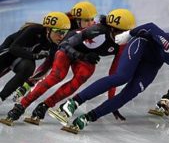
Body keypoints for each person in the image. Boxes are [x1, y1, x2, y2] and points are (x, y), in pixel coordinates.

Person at [52, 23, 169, 132]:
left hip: (153, 62)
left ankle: (88, 117)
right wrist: (129, 34)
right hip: (141, 45)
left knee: (130, 93)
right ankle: (73, 103)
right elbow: (151, 27)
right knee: (122, 77)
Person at [1, 8, 135, 125]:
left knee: (80, 79)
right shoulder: (96, 31)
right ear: (111, 28)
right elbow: (64, 45)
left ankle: (44, 106)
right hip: (68, 51)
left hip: (85, 58)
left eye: (127, 32)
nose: (125, 36)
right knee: (56, 76)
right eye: (121, 32)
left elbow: (114, 76)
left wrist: (112, 102)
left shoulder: (122, 45)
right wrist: (81, 56)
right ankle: (21, 105)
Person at [12, 1, 98, 102]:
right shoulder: (66, 20)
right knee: (49, 63)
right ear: (77, 19)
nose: (90, 23)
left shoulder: (91, 25)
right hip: (60, 44)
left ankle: (28, 85)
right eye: (86, 20)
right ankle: (26, 85)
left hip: (73, 45)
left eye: (92, 20)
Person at [0, 11, 70, 104]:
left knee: (28, 67)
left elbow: (46, 68)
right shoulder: (34, 30)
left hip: (21, 60)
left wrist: (28, 85)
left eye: (64, 32)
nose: (61, 36)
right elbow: (14, 48)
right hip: (8, 53)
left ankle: (1, 97)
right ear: (48, 29)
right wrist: (34, 56)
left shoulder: (55, 44)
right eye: (59, 32)